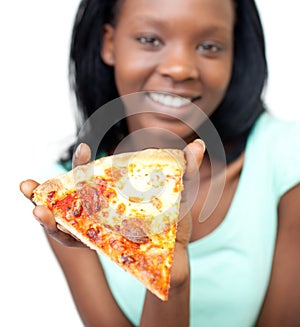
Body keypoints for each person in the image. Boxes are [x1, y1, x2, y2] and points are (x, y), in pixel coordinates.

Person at [20, 0, 300, 326]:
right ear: (109, 43)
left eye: (209, 46)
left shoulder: (286, 155)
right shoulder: (74, 201)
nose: (180, 68)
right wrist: (169, 280)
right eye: (150, 40)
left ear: (234, 55)